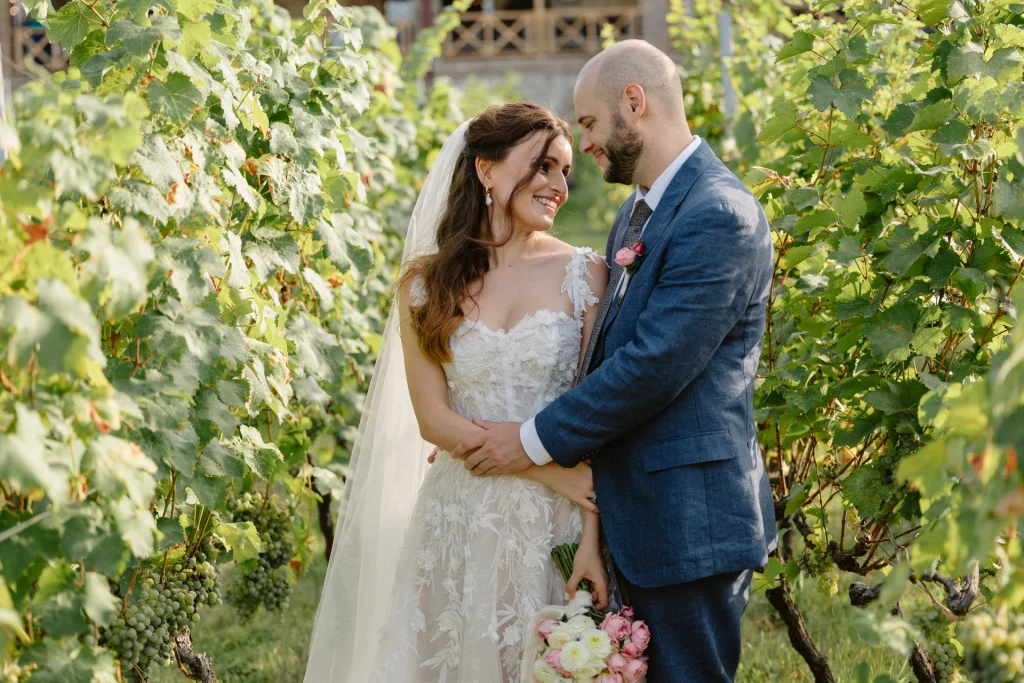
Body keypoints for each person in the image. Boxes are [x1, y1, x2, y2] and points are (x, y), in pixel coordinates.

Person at [449, 40, 778, 681]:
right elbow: (602, 354)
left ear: (635, 102)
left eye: (590, 123)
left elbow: (652, 367)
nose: (586, 145)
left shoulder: (720, 213)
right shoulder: (636, 213)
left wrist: (528, 440)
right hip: (631, 513)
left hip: (689, 521)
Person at [303, 102, 611, 682]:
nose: (559, 185)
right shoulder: (424, 285)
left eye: (566, 171)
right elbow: (433, 420)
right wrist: (548, 471)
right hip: (460, 510)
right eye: (543, 166)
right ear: (485, 169)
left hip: (555, 522)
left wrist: (590, 539)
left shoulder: (585, 274)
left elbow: (595, 414)